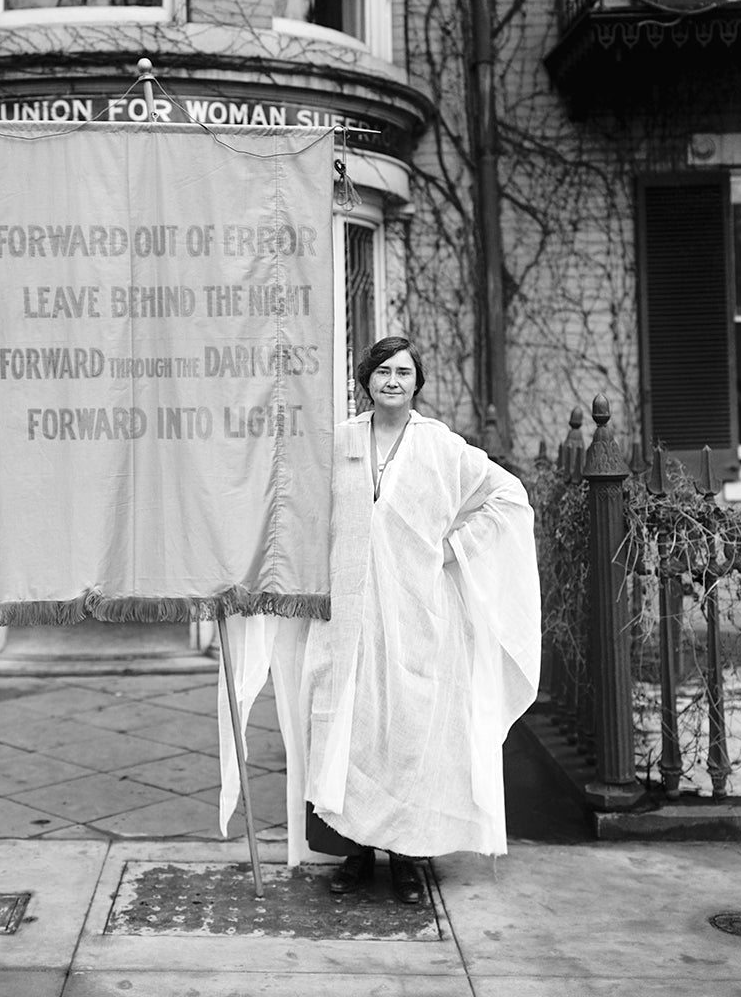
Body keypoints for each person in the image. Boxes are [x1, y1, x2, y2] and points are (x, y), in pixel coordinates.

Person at [216, 336, 541, 905]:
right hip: (342, 617)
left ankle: (411, 860)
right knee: (343, 729)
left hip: (415, 616)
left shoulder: (441, 449)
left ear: (418, 383)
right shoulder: (336, 442)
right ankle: (356, 856)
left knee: (409, 735)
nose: (393, 381)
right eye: (383, 371)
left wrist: (451, 549)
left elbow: (507, 497)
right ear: (366, 380)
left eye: (404, 372)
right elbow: (287, 500)